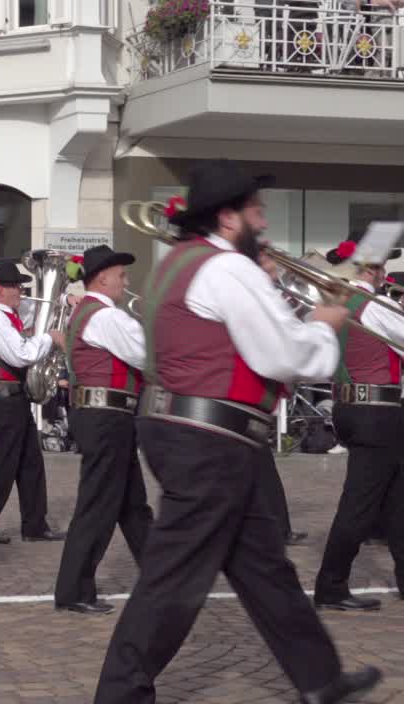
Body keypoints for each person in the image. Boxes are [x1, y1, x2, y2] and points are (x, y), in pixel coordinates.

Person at [93, 159, 380, 704]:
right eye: (256, 212)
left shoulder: (178, 262)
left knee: (264, 567)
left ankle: (321, 680)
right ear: (228, 218)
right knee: (173, 579)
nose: (263, 223)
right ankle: (120, 694)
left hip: (190, 433)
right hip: (210, 440)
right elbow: (284, 357)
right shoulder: (229, 269)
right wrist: (324, 326)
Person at [53, 246, 153, 615]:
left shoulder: (90, 312)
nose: (126, 282)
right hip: (106, 416)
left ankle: (162, 576)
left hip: (105, 415)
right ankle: (74, 590)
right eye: (121, 275)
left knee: (133, 506)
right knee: (99, 505)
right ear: (103, 277)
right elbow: (146, 355)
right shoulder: (106, 317)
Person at [311, 239, 404, 612]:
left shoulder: (332, 303)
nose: (383, 274)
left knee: (398, 500)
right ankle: (330, 585)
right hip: (377, 413)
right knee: (360, 505)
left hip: (352, 408)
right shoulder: (374, 306)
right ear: (372, 269)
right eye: (380, 267)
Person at [0, 261, 66, 544]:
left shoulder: (6, 312)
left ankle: (35, 525)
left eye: (20, 286)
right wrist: (49, 339)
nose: (20, 292)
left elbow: (37, 312)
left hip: (12, 397)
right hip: (3, 398)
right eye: (15, 287)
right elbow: (20, 355)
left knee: (30, 463)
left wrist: (63, 301)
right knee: (4, 464)